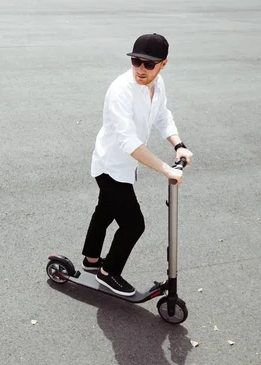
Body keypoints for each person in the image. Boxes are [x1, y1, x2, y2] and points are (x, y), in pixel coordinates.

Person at [81, 33, 193, 296]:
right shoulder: (120, 91)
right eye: (136, 62)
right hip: (110, 165)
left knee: (105, 211)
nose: (141, 69)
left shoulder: (158, 83)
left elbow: (163, 115)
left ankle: (91, 261)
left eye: (149, 64)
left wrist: (179, 145)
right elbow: (129, 143)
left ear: (163, 64)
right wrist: (166, 168)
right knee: (133, 225)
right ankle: (109, 274)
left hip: (125, 165)